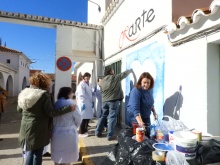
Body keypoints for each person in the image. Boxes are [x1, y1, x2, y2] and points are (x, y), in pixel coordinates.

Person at [17, 72, 75, 165]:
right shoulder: (43, 95)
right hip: (38, 129)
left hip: (25, 127)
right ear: (45, 83)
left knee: (30, 152)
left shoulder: (24, 94)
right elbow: (51, 112)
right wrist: (68, 108)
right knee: (37, 153)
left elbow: (19, 110)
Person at [95, 67, 133, 141]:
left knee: (103, 116)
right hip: (113, 100)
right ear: (110, 71)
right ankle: (110, 135)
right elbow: (124, 74)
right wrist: (130, 70)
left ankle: (97, 132)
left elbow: (101, 90)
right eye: (112, 70)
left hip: (104, 101)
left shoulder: (102, 81)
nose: (114, 71)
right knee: (112, 118)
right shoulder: (115, 77)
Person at [51, 87, 82, 165]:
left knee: (58, 156)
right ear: (68, 94)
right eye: (72, 92)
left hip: (56, 133)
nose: (73, 94)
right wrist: (75, 126)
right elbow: (78, 118)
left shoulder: (56, 103)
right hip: (69, 133)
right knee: (67, 158)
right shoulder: (71, 103)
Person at [77, 72, 94, 137]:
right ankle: (81, 132)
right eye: (86, 77)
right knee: (83, 118)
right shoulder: (82, 84)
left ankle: (85, 130)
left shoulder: (89, 84)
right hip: (83, 103)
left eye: (88, 77)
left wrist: (92, 101)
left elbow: (91, 93)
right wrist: (82, 103)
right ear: (84, 77)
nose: (87, 78)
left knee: (88, 118)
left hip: (88, 103)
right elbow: (81, 94)